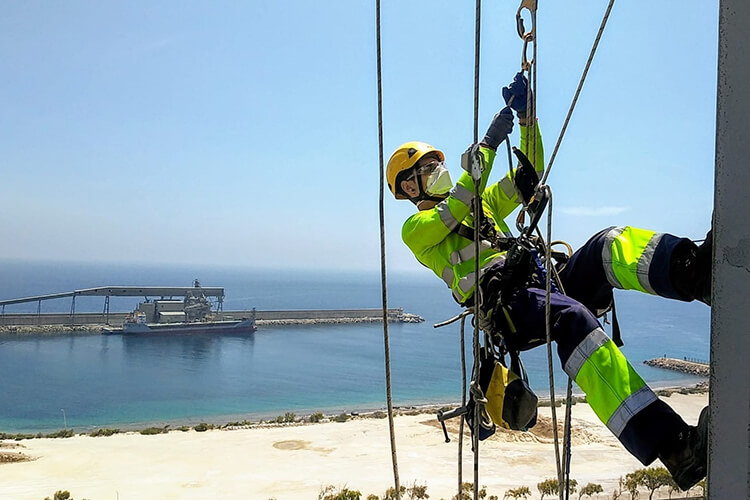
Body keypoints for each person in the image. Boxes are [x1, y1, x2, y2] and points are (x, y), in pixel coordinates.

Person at [386, 72, 710, 491]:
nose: (438, 172)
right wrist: (484, 150)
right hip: (508, 306)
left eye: (437, 165)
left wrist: (527, 119)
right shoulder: (416, 227)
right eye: (427, 169)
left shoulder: (479, 199)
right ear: (408, 186)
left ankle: (693, 272)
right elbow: (451, 213)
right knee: (574, 320)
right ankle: (674, 446)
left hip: (542, 282)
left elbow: (530, 171)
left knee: (608, 246)